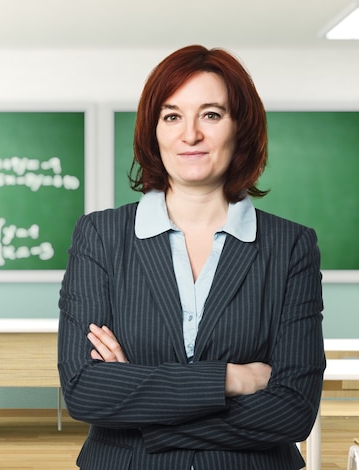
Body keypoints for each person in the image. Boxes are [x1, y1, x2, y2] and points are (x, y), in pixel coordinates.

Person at [57, 44, 325, 470]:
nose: (191, 135)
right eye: (172, 116)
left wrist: (145, 412)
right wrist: (230, 379)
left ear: (241, 128)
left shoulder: (289, 246)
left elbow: (293, 410)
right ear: (154, 131)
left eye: (212, 114)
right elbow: (85, 389)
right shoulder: (101, 236)